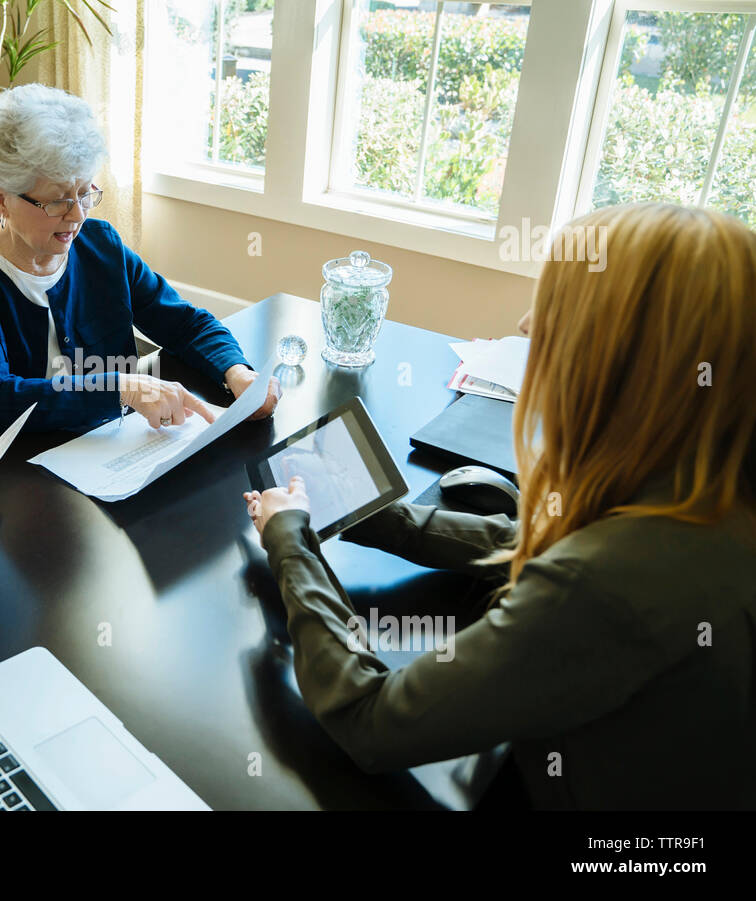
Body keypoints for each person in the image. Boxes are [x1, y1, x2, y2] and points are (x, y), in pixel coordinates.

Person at [244, 202, 756, 809]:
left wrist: (289, 544)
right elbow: (534, 537)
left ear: (619, 361)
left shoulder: (602, 584)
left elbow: (369, 720)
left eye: (557, 309)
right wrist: (384, 516)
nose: (526, 323)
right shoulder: (707, 492)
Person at [0, 83, 279, 435]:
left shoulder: (102, 244)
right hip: (17, 460)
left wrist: (238, 372)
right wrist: (122, 387)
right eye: (57, 201)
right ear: (0, 199)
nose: (77, 215)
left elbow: (185, 324)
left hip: (112, 441)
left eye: (84, 193)